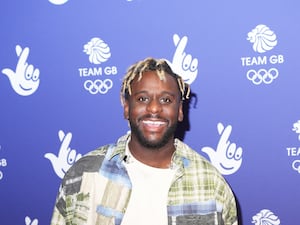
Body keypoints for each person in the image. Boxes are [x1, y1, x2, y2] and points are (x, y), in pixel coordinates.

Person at [50, 57, 238, 225]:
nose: (154, 108)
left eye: (166, 100)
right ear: (126, 108)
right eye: (142, 98)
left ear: (180, 110)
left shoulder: (210, 183)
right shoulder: (84, 174)